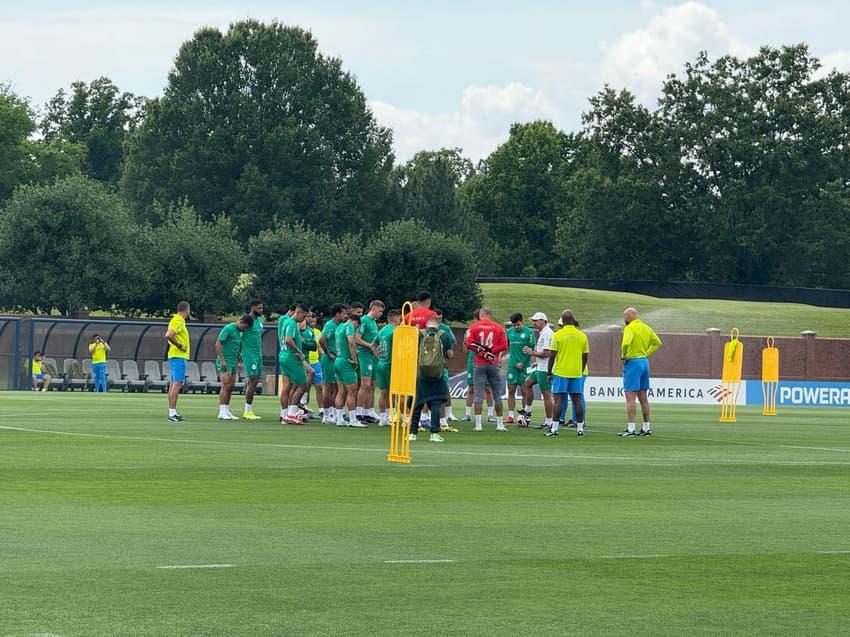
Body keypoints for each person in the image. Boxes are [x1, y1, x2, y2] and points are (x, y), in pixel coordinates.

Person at [409, 316, 454, 443]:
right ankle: (434, 433)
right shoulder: (444, 335)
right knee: (436, 404)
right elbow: (450, 355)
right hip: (438, 375)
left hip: (421, 374)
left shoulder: (420, 334)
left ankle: (412, 433)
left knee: (417, 404)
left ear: (427, 325)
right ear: (437, 324)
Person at [620, 306, 662, 437]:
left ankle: (631, 429)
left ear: (630, 316)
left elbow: (626, 343)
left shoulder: (629, 328)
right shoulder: (646, 327)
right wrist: (646, 353)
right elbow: (657, 342)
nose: (624, 318)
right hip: (644, 362)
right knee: (643, 397)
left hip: (633, 362)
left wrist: (624, 355)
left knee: (630, 397)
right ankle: (646, 427)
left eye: (625, 315)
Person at [545, 310, 589, 438]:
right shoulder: (582, 336)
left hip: (561, 372)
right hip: (576, 372)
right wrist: (580, 369)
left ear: (563, 321)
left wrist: (549, 372)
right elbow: (585, 356)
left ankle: (554, 429)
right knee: (577, 400)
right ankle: (580, 429)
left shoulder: (558, 335)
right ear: (573, 320)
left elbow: (552, 355)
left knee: (558, 401)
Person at [465, 307, 508, 431]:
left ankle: (478, 425)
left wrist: (483, 353)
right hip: (493, 363)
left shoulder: (473, 327)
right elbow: (504, 345)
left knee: (478, 395)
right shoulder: (499, 327)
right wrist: (491, 352)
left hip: (479, 363)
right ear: (490, 315)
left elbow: (469, 343)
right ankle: (500, 424)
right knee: (497, 394)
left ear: (481, 314)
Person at [215, 314, 254, 420]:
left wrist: (239, 360)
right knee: (226, 385)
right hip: (225, 361)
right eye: (244, 327)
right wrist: (222, 360)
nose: (244, 330)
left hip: (233, 362)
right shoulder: (228, 328)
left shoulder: (239, 332)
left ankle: (227, 410)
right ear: (240, 321)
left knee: (231, 386)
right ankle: (222, 412)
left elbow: (237, 346)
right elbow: (218, 344)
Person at [278, 304, 309, 425]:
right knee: (302, 385)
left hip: (283, 356)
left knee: (290, 386)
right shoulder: (291, 323)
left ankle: (285, 414)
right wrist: (299, 352)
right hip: (291, 358)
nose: (304, 319)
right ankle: (291, 413)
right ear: (298, 313)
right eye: (304, 315)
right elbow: (288, 339)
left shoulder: (285, 321)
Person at [462, 309, 495, 422]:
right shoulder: (470, 331)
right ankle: (467, 414)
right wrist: (466, 342)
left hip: (485, 362)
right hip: (473, 361)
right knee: (471, 388)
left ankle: (490, 415)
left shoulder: (489, 330)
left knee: (487, 388)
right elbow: (465, 349)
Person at [523, 312, 554, 430]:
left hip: (545, 369)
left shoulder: (547, 333)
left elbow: (547, 352)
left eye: (535, 321)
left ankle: (549, 421)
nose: (534, 323)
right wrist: (537, 360)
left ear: (543, 321)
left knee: (546, 395)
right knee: (528, 382)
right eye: (533, 321)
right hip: (540, 367)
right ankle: (527, 410)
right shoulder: (544, 333)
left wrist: (533, 353)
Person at [355, 300, 384, 423]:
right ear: (373, 309)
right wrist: (371, 346)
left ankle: (369, 411)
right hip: (364, 355)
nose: (381, 314)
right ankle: (358, 412)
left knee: (372, 384)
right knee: (365, 384)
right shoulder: (364, 321)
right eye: (380, 311)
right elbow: (357, 338)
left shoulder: (373, 322)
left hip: (373, 356)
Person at [334, 311, 365, 428]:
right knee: (352, 390)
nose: (356, 329)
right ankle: (353, 419)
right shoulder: (349, 326)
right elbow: (351, 342)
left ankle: (339, 418)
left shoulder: (339, 327)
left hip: (338, 360)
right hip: (346, 361)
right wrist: (355, 359)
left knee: (341, 391)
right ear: (355, 322)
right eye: (357, 326)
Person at [505, 312, 535, 424]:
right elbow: (505, 347)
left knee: (524, 391)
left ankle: (524, 416)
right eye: (514, 325)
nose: (516, 327)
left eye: (518, 324)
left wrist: (523, 362)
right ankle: (510, 416)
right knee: (511, 390)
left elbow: (532, 350)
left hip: (525, 366)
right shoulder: (509, 332)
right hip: (512, 366)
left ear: (522, 322)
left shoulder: (529, 332)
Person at [319, 304, 346, 424]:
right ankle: (326, 414)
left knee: (336, 386)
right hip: (330, 359)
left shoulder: (340, 326)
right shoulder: (330, 325)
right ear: (337, 314)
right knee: (328, 386)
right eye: (343, 313)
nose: (345, 316)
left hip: (337, 358)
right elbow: (321, 339)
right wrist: (328, 353)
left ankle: (334, 413)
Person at [165, 301, 191, 422]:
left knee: (174, 383)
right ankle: (172, 413)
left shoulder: (176, 320)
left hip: (176, 356)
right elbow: (169, 335)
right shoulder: (178, 320)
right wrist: (180, 346)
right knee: (177, 383)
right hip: (178, 356)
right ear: (187, 310)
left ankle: (172, 412)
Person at [375, 308, 400, 427]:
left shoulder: (382, 330)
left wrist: (378, 357)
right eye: (400, 318)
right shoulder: (395, 331)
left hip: (381, 364)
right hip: (390, 364)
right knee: (393, 393)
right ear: (395, 318)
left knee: (383, 393)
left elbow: (373, 345)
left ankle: (382, 418)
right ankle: (391, 416)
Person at [434, 308, 459, 426]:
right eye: (437, 318)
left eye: (440, 318)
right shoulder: (428, 329)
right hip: (431, 364)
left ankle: (448, 413)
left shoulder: (445, 329)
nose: (439, 320)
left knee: (445, 388)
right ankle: (433, 416)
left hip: (442, 363)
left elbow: (453, 341)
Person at [241, 299, 265, 420]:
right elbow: (240, 335)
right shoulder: (246, 320)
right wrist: (240, 355)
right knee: (253, 379)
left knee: (254, 381)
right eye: (259, 308)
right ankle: (247, 411)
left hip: (258, 354)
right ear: (253, 308)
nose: (261, 310)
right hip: (249, 354)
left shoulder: (259, 321)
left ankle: (249, 409)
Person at [301, 310, 324, 420]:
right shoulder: (302, 330)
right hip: (306, 360)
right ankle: (305, 407)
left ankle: (322, 410)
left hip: (315, 362)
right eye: (311, 319)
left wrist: (322, 357)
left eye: (314, 320)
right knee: (306, 387)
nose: (312, 321)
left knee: (320, 386)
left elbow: (319, 347)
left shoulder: (318, 332)